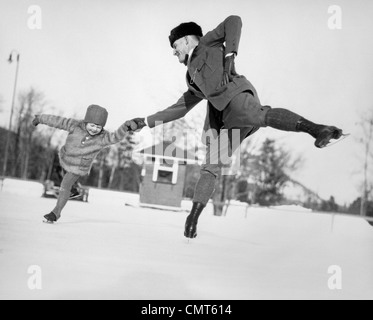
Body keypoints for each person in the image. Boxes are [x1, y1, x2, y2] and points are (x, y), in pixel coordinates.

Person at [124, 15, 344, 239]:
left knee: (260, 115)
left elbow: (234, 21)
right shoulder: (191, 77)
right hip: (224, 121)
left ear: (188, 40)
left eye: (175, 45)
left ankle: (317, 129)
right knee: (211, 165)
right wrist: (146, 121)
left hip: (236, 96)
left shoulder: (208, 42)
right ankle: (193, 218)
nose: (174, 51)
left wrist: (230, 54)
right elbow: (179, 108)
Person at [33, 104, 132, 223]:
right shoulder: (74, 125)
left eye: (98, 127)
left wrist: (125, 127)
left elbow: (115, 137)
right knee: (64, 177)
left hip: (78, 166)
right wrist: (40, 118)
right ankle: (74, 190)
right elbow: (57, 121)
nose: (94, 129)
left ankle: (55, 213)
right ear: (86, 122)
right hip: (65, 158)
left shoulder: (102, 138)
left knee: (65, 185)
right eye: (92, 125)